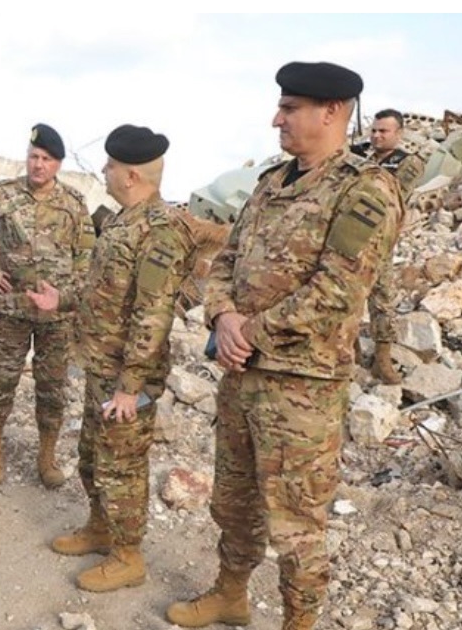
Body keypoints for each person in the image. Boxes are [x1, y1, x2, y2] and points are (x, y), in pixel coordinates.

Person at [165, 62, 404, 630]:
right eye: (280, 107)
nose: (277, 119)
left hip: (302, 392)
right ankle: (230, 594)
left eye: (290, 108)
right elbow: (225, 260)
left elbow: (337, 291)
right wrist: (222, 316)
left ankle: (298, 621)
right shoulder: (270, 183)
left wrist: (247, 332)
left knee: (296, 524)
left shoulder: (365, 190)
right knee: (233, 501)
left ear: (331, 112)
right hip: (240, 377)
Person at [30, 125, 198, 593]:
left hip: (126, 378)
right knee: (92, 458)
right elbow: (104, 290)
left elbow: (152, 314)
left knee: (121, 469)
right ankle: (100, 528)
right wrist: (61, 299)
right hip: (100, 366)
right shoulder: (124, 221)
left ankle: (128, 556)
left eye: (109, 166)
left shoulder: (161, 231)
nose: (103, 171)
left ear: (130, 175)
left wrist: (131, 386)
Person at [0, 123, 94, 489]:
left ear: (58, 164)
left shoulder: (74, 204)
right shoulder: (1, 195)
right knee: (0, 380)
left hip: (56, 316)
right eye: (33, 157)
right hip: (11, 308)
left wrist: (67, 296)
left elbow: (86, 260)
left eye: (46, 159)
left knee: (52, 387)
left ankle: (46, 456)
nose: (38, 165)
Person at [351, 108, 425, 384]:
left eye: (383, 131)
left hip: (380, 238)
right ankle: (351, 350)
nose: (376, 136)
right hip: (350, 236)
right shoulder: (361, 157)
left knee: (381, 297)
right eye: (374, 130)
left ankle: (382, 357)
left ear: (399, 134)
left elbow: (390, 195)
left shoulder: (408, 162)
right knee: (347, 295)